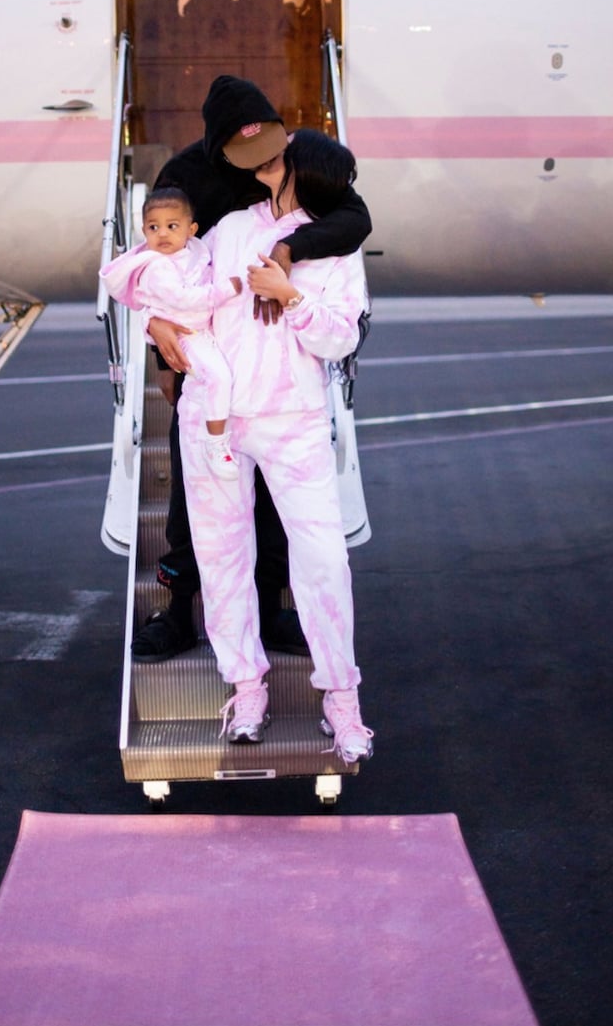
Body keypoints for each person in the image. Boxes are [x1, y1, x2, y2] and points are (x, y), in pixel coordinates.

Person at [133, 73, 372, 663]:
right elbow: (155, 261)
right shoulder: (185, 179)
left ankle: (268, 612)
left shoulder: (295, 159)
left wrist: (292, 248)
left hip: (274, 372)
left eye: (270, 149)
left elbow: (355, 216)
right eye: (249, 156)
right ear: (217, 145)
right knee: (196, 507)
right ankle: (180, 611)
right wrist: (154, 339)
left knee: (269, 503)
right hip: (208, 360)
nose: (264, 165)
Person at [178, 128, 374, 764]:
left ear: (302, 170)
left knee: (322, 559)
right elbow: (178, 291)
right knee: (221, 555)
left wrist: (290, 296)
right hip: (216, 418)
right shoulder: (230, 228)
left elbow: (340, 339)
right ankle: (246, 685)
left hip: (294, 417)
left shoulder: (335, 246)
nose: (269, 163)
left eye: (282, 159)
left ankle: (342, 699)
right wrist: (158, 323)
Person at [99, 187, 242, 479]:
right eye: (154, 227)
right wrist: (226, 290)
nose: (162, 234)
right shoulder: (156, 267)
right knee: (218, 377)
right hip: (184, 335)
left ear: (191, 230)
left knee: (225, 378)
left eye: (171, 226)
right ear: (144, 231)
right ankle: (217, 444)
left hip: (204, 329)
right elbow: (184, 299)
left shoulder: (193, 252)